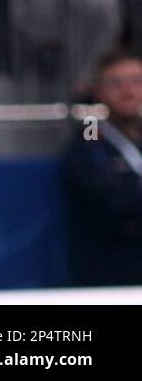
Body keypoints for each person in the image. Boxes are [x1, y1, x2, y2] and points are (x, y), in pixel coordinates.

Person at [63, 49, 142, 287]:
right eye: (116, 83)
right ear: (98, 91)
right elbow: (113, 201)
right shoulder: (87, 145)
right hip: (112, 277)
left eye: (137, 82)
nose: (128, 91)